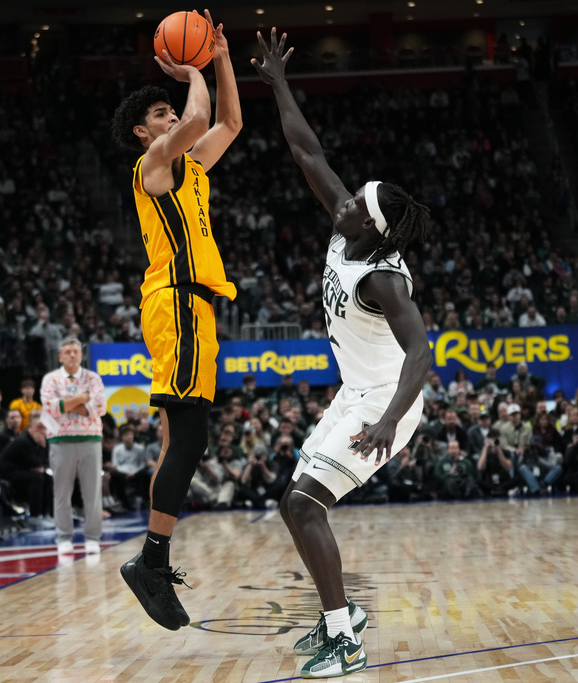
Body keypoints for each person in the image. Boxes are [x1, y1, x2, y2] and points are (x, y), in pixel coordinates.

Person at [252, 29, 433, 678]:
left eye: (359, 202)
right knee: (294, 504)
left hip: (387, 400)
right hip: (356, 393)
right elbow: (307, 148)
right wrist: (277, 83)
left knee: (304, 504)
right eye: (354, 194)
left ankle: (345, 638)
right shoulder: (345, 223)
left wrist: (389, 421)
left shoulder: (383, 276)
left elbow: (422, 352)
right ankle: (343, 619)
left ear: (372, 228)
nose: (348, 198)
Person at [111, 9, 242, 632]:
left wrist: (218, 57)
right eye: (158, 116)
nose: (172, 119)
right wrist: (191, 68)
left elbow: (229, 122)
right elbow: (195, 119)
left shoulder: (192, 169)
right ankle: (151, 561)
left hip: (196, 307)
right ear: (143, 133)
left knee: (186, 438)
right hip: (174, 301)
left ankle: (153, 560)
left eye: (168, 112)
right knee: (189, 437)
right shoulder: (152, 167)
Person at [39, 338, 106, 556]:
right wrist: (81, 399)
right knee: (61, 492)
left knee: (92, 492)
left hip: (91, 440)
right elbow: (52, 408)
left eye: (75, 351)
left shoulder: (93, 378)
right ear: (60, 356)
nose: (71, 355)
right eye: (67, 352)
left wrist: (67, 402)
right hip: (60, 440)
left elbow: (98, 407)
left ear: (81, 354)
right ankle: (64, 537)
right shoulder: (50, 379)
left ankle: (93, 538)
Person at [0, 418, 54, 529]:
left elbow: (46, 462)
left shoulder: (38, 440)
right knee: (37, 478)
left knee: (48, 478)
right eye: (39, 427)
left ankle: (45, 514)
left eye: (44, 428)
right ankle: (35, 517)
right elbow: (36, 464)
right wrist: (42, 446)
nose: (42, 431)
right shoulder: (23, 441)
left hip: (22, 470)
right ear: (31, 428)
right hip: (8, 472)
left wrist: (43, 447)